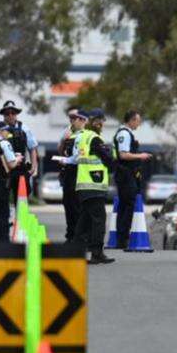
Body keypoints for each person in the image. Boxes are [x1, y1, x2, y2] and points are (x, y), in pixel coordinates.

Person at [73, 109, 116, 264]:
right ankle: (97, 253)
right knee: (98, 220)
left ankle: (75, 252)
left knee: (84, 220)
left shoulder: (81, 137)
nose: (101, 124)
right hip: (94, 185)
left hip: (83, 186)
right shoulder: (95, 139)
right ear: (95, 122)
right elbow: (108, 159)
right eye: (101, 121)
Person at [113, 109, 152, 250]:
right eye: (138, 121)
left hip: (125, 174)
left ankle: (121, 238)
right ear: (131, 120)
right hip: (125, 174)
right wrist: (140, 156)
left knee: (124, 205)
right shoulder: (124, 133)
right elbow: (123, 155)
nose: (139, 124)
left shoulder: (124, 133)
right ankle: (122, 239)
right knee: (127, 205)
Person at [0, 101, 39, 206]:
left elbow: (32, 148)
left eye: (13, 113)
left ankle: (20, 219)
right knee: (2, 198)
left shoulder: (24, 128)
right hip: (4, 169)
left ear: (16, 114)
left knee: (21, 198)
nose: (10, 115)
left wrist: (33, 167)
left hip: (20, 169)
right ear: (3, 115)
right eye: (7, 113)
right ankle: (5, 220)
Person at [58, 108, 87, 242]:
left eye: (75, 118)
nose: (72, 120)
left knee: (76, 206)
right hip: (68, 173)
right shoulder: (67, 131)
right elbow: (61, 150)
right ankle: (70, 236)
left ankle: (78, 237)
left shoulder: (85, 134)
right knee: (68, 204)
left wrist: (65, 160)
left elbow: (78, 157)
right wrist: (64, 140)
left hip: (78, 172)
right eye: (71, 118)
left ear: (82, 120)